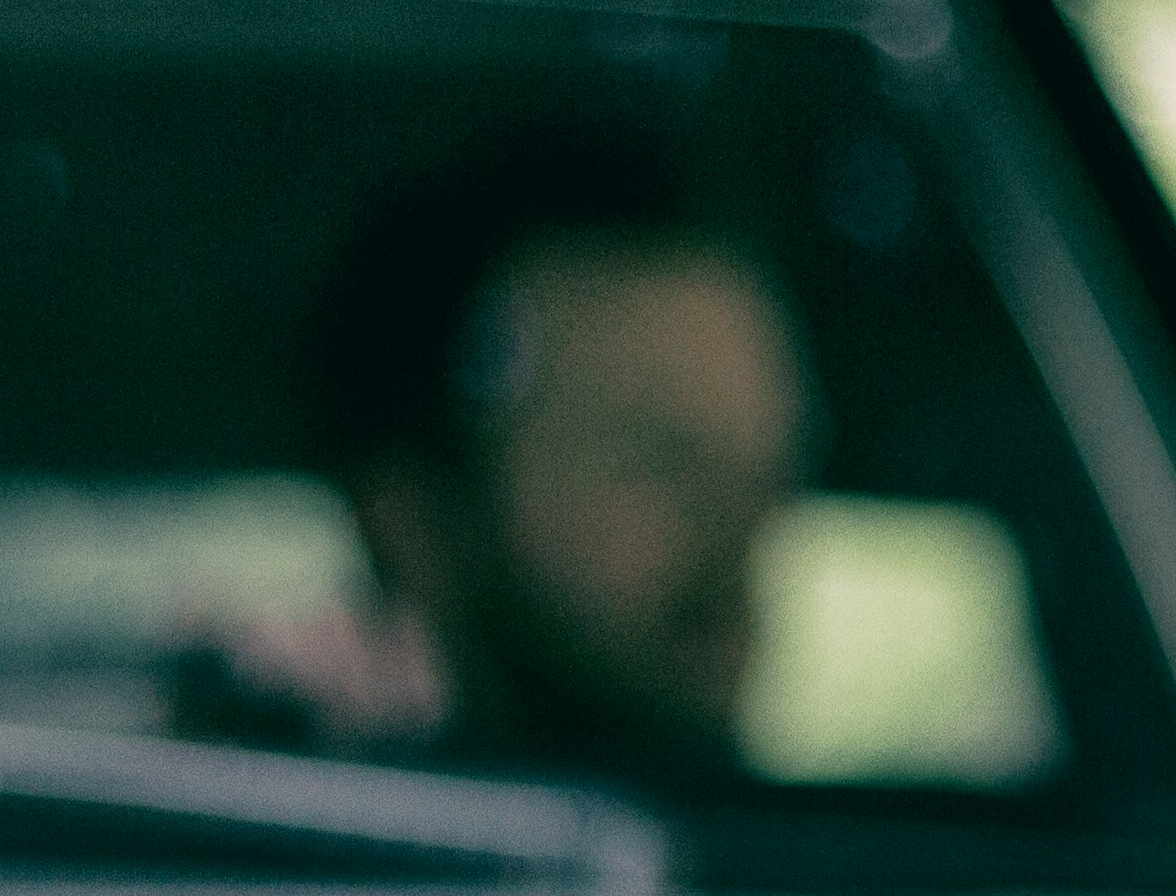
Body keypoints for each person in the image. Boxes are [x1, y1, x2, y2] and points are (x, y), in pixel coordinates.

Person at [172, 131, 810, 788]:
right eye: (653, 463)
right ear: (421, 519)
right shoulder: (279, 849)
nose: (741, 532)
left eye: (764, 469)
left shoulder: (847, 856)